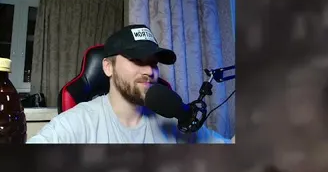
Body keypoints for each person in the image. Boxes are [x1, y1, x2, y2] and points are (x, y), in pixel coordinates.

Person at [28, 25, 231, 144]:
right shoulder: (78, 123)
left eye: (154, 63)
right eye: (137, 60)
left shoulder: (171, 120)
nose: (150, 71)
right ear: (108, 67)